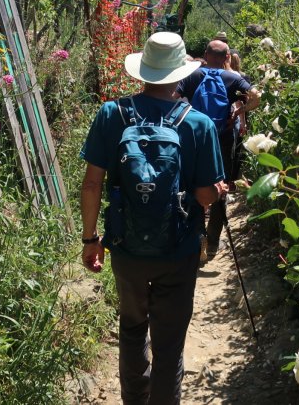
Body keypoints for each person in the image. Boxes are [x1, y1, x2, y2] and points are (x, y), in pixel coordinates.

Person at [80, 32, 227, 405]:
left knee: (131, 328)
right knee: (169, 344)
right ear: (181, 73)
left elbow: (92, 184)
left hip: (126, 248)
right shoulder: (199, 124)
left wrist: (90, 239)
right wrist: (215, 191)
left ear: (142, 70)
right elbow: (205, 194)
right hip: (178, 251)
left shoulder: (112, 114)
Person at [176, 39, 259, 261]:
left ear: (205, 54)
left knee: (191, 185)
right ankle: (212, 243)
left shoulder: (192, 75)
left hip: (194, 139)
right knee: (220, 187)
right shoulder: (233, 78)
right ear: (226, 59)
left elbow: (172, 100)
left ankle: (195, 238)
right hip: (222, 138)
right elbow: (257, 96)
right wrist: (238, 111)